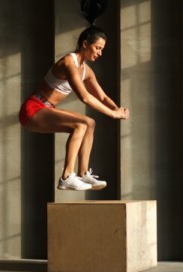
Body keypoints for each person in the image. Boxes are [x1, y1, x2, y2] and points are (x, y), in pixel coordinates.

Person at [19, 25, 129, 191]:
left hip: (47, 108)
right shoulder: (68, 63)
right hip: (33, 109)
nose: (100, 53)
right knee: (81, 124)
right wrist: (113, 115)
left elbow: (103, 97)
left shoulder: (86, 71)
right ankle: (66, 177)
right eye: (97, 48)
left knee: (90, 123)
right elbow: (84, 97)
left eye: (102, 49)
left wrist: (118, 109)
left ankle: (83, 173)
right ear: (85, 44)